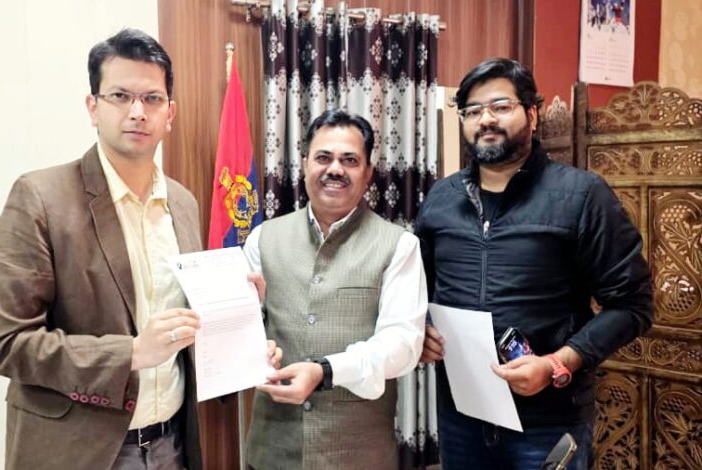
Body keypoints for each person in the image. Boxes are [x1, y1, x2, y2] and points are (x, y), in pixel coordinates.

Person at [0, 29, 206, 470]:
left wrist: (236, 317)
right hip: (81, 450)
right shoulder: (40, 197)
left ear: (170, 113)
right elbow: (7, 344)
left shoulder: (183, 203)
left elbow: (182, 328)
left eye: (152, 98)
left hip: (172, 444)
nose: (138, 112)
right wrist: (131, 353)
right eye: (120, 96)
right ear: (93, 107)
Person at [417, 58, 653, 469]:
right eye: (472, 111)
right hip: (462, 415)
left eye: (500, 106)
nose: (485, 119)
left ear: (532, 114)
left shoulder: (581, 196)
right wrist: (420, 331)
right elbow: (420, 289)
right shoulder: (441, 198)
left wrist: (557, 362)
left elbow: (633, 304)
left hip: (547, 420)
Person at [243, 109, 427, 469]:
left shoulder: (400, 246)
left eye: (350, 160)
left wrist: (326, 371)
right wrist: (251, 341)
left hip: (358, 455)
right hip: (272, 451)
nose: (335, 169)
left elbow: (402, 345)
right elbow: (245, 333)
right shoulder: (263, 238)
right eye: (323, 157)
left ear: (368, 172)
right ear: (305, 164)